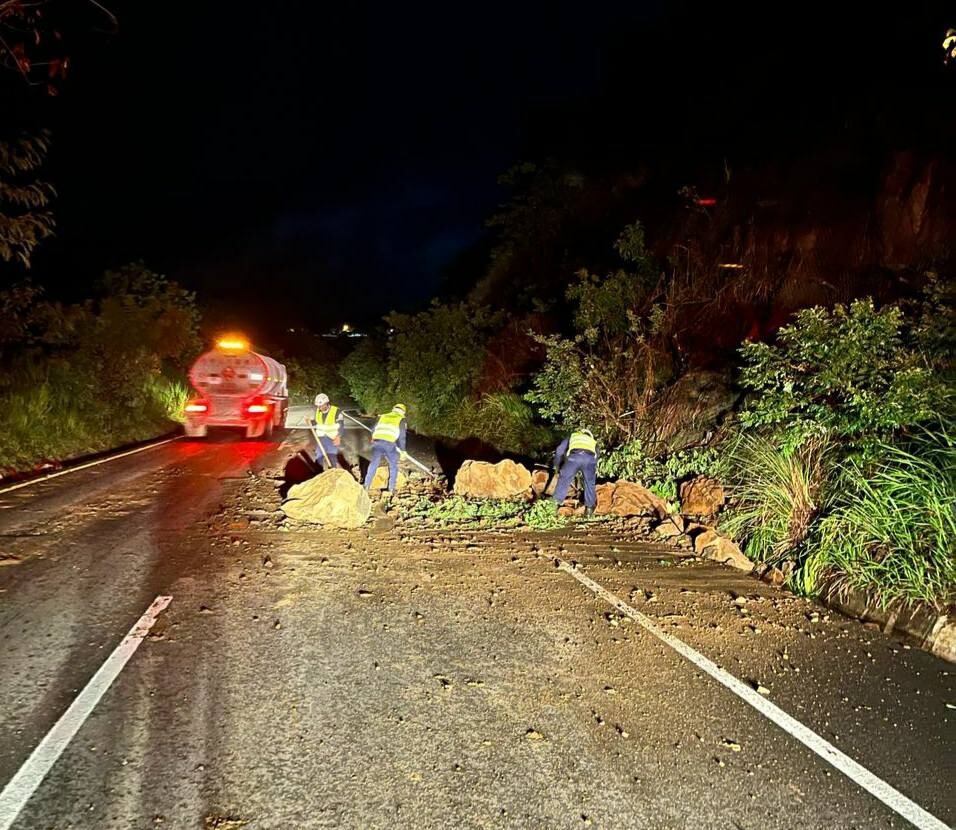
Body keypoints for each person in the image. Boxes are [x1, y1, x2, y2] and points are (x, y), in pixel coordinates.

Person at [363, 403, 407, 497]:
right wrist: (403, 450)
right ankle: (391, 489)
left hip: (377, 441)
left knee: (374, 463)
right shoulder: (401, 419)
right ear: (403, 412)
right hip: (389, 443)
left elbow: (373, 429)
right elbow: (402, 436)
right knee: (393, 465)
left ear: (393, 409)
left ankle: (366, 486)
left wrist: (373, 438)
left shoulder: (383, 416)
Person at [551, 428, 598, 515]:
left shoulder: (572, 436)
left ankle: (554, 506)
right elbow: (597, 455)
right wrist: (592, 466)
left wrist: (556, 465)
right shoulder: (591, 440)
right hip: (589, 459)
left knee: (564, 479)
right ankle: (589, 510)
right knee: (589, 483)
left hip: (574, 458)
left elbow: (559, 450)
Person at [310, 393, 345, 471]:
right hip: (321, 438)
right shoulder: (318, 411)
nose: (319, 408)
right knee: (319, 456)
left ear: (326, 403)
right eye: (318, 406)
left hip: (332, 438)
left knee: (332, 457)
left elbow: (341, 425)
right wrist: (310, 421)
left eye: (321, 405)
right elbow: (317, 422)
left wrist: (338, 437)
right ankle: (318, 473)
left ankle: (333, 473)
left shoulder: (336, 411)